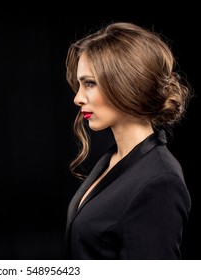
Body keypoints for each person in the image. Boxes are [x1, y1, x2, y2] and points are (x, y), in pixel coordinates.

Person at [64, 22, 192, 259]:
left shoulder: (160, 181)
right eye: (80, 85)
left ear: (125, 84)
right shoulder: (112, 160)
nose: (78, 98)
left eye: (89, 83)